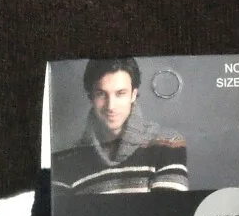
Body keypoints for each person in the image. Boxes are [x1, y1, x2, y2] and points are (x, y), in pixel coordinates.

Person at [52, 59, 187, 194]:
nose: (111, 106)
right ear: (91, 97)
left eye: (120, 93)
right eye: (101, 94)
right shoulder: (64, 162)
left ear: (133, 95)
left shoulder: (168, 143)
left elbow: (169, 207)